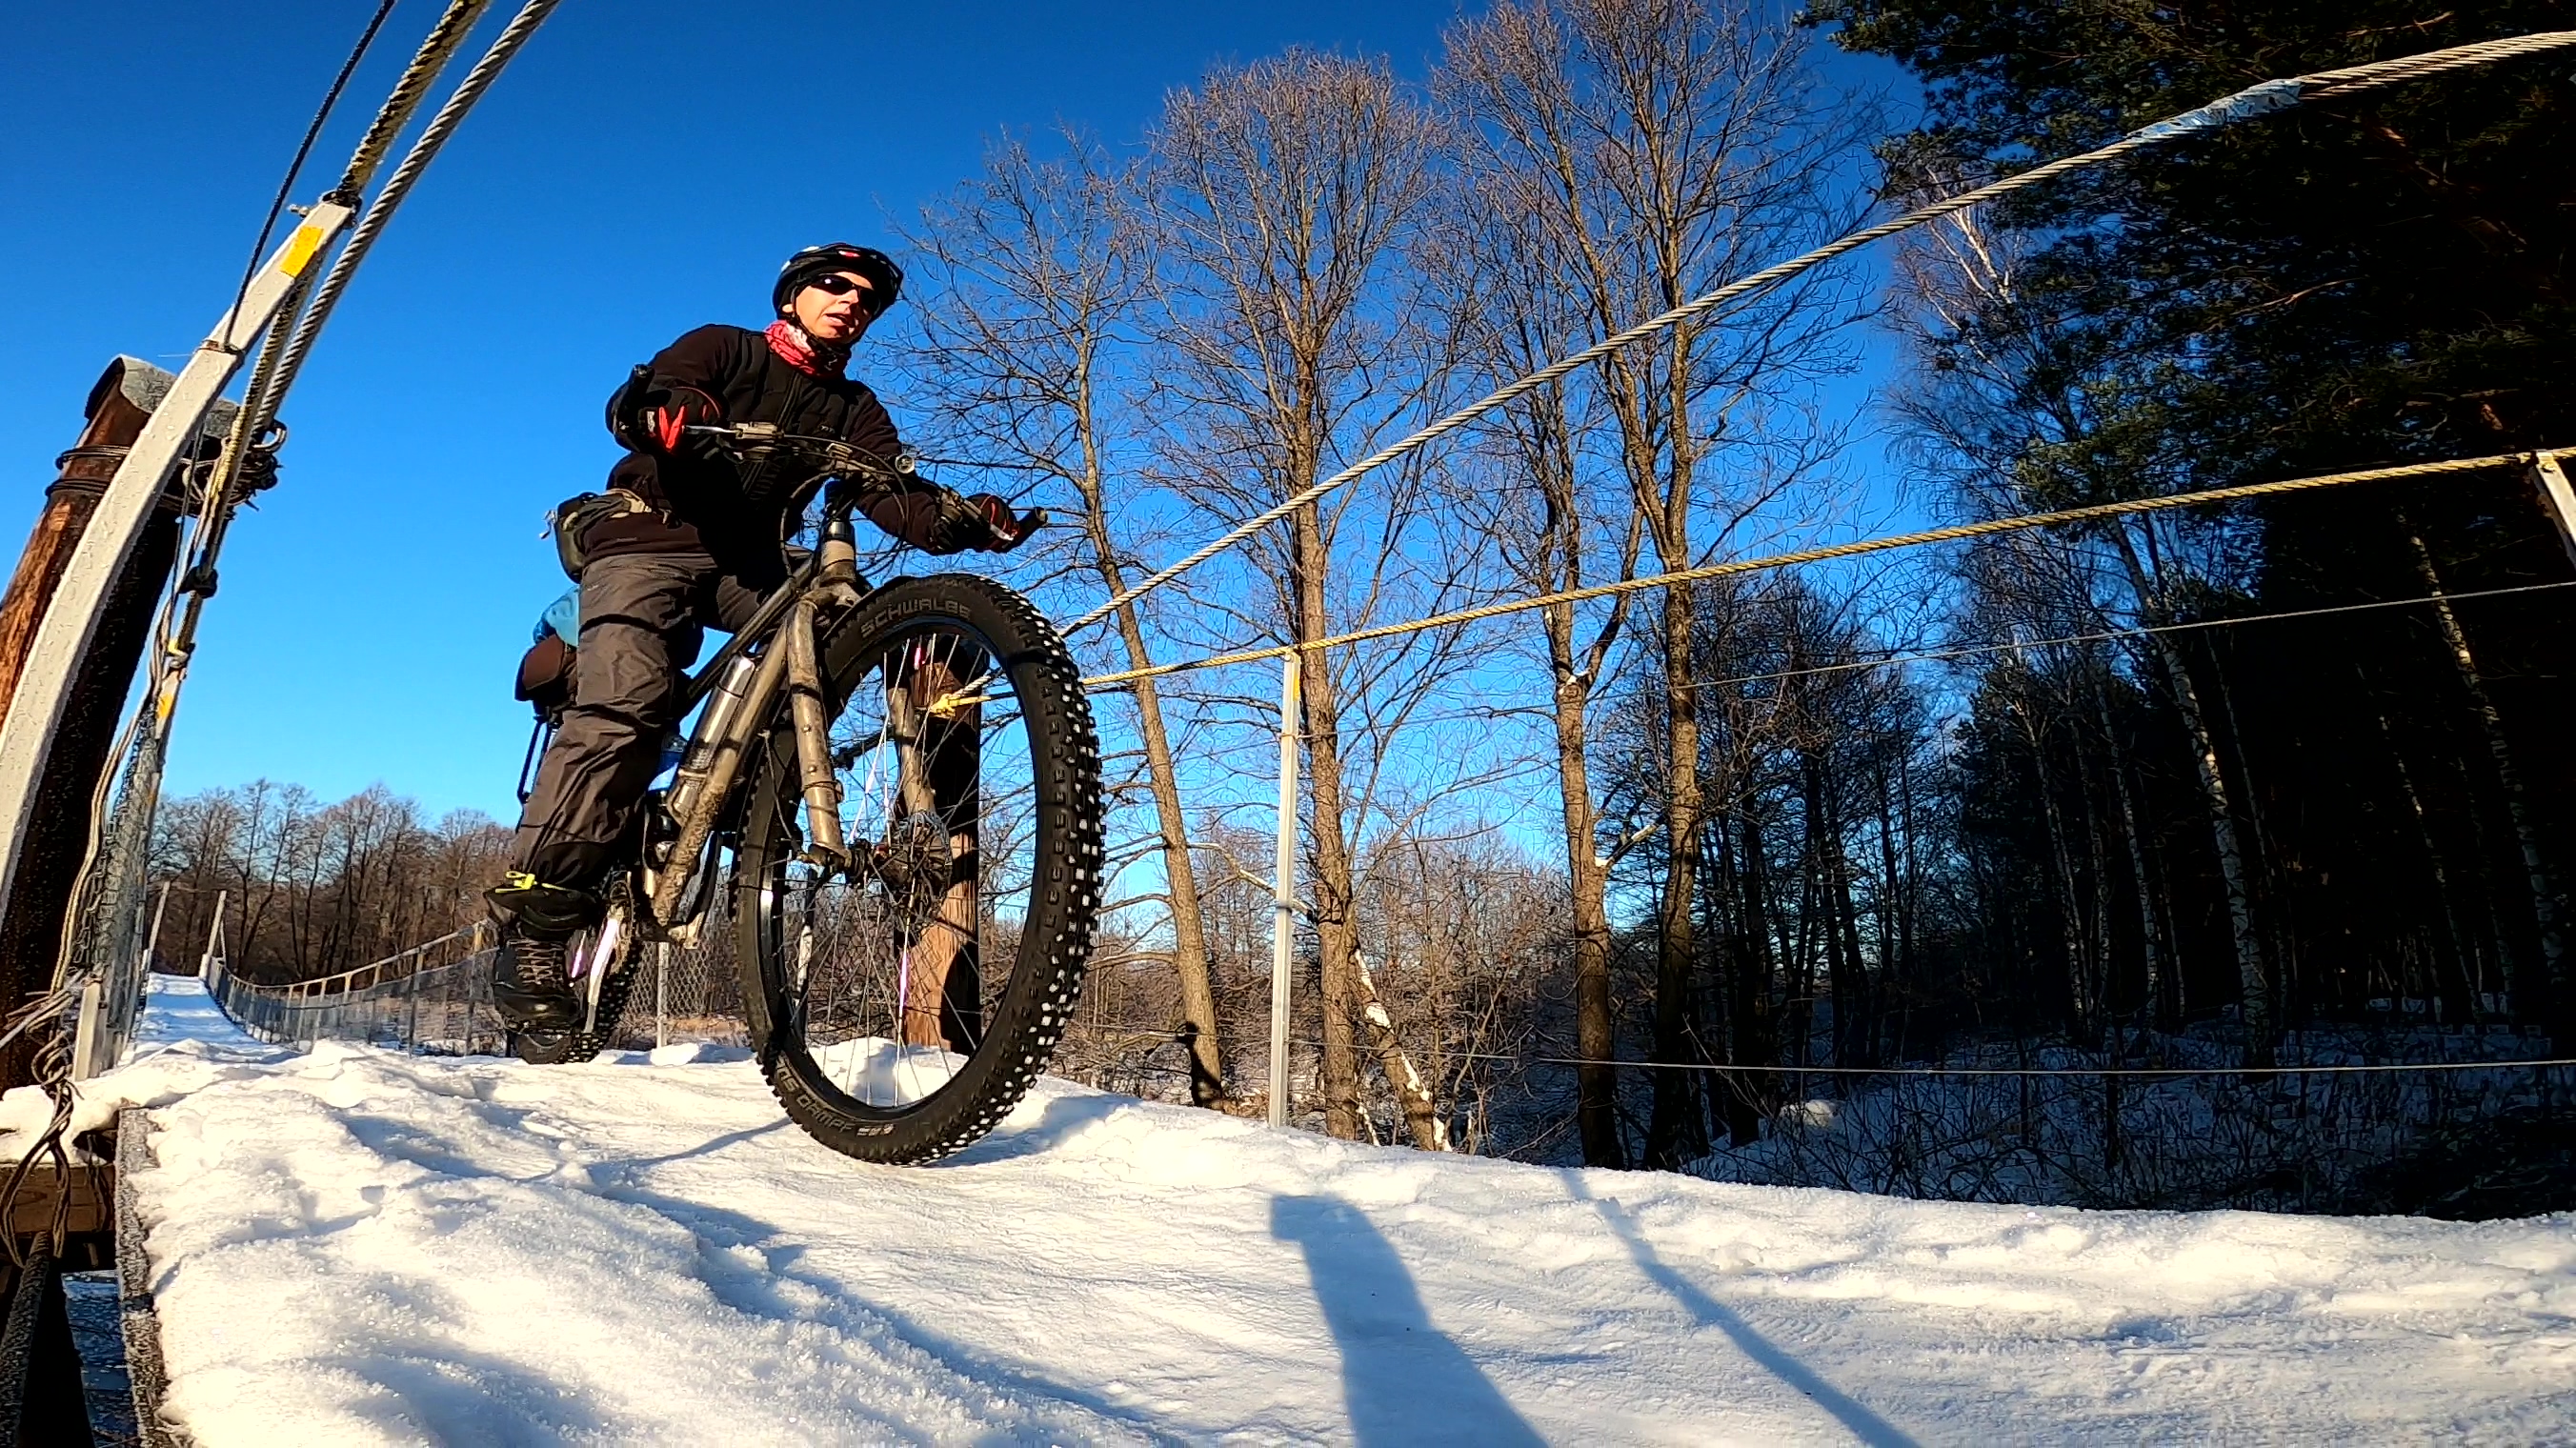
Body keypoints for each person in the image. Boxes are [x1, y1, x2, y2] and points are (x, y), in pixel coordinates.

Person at [487, 242, 1027, 1030]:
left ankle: (758, 784)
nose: (852, 302)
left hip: (751, 563)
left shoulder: (856, 408)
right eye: (834, 286)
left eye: (868, 299)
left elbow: (892, 493)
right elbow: (651, 396)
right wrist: (666, 412)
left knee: (840, 616)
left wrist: (962, 519)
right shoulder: (724, 347)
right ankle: (536, 922)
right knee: (629, 702)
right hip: (651, 540)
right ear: (792, 297)